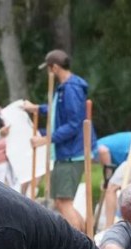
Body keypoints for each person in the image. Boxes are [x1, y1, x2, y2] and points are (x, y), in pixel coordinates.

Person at [31, 49, 93, 232]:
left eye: (49, 69)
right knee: (62, 202)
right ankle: (86, 241)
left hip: (71, 155)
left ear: (55, 68)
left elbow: (74, 124)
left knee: (64, 203)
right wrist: (37, 108)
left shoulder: (71, 89)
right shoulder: (64, 88)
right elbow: (57, 109)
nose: (48, 73)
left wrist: (46, 140)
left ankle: (81, 246)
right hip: (65, 154)